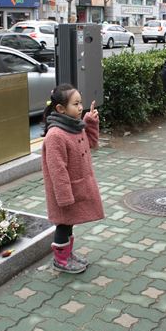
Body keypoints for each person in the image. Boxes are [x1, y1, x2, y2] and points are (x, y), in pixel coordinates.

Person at [41, 84, 104, 274]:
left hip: (77, 187)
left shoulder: (75, 127)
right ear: (60, 109)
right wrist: (64, 197)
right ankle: (61, 259)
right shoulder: (56, 135)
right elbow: (57, 170)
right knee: (63, 223)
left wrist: (90, 122)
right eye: (75, 104)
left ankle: (67, 255)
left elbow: (92, 143)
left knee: (70, 223)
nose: (80, 107)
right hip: (64, 192)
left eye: (80, 103)